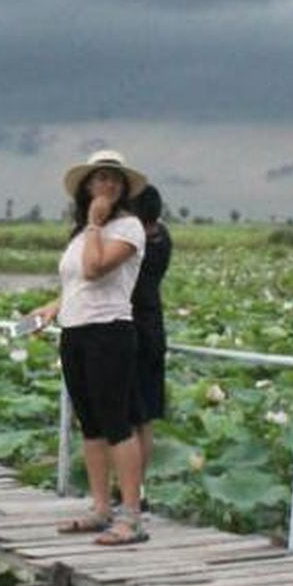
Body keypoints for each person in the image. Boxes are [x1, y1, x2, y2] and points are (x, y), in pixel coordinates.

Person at [30, 149, 148, 546]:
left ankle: (130, 515)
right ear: (86, 186)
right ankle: (100, 508)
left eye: (115, 179)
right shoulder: (81, 233)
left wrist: (97, 224)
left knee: (117, 424)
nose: (108, 184)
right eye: (100, 178)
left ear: (124, 189)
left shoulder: (128, 228)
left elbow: (97, 268)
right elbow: (76, 283)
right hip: (76, 331)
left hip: (110, 332)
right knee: (91, 425)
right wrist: (52, 307)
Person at [130, 185, 172, 501]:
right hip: (154, 330)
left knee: (127, 418)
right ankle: (138, 489)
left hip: (130, 331)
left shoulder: (133, 244)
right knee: (144, 419)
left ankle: (129, 491)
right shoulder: (163, 238)